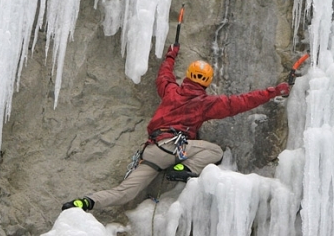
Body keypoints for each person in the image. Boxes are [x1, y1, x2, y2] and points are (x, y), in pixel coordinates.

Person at [62, 43, 289, 211]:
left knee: (125, 192)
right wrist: (274, 91)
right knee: (215, 151)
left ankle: (86, 202)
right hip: (177, 148)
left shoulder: (171, 91)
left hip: (151, 150)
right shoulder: (206, 103)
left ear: (188, 76)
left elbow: (164, 76)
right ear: (207, 82)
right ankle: (183, 169)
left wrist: (172, 53)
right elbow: (240, 102)